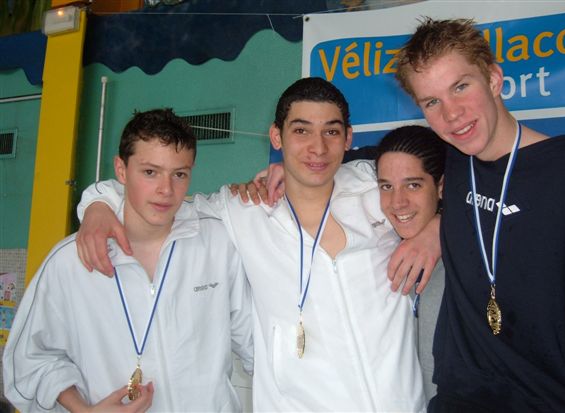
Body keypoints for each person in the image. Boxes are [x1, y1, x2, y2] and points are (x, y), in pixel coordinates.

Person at [74, 78, 426, 411]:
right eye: (301, 130)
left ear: (348, 138)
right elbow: (159, 197)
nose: (318, 148)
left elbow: (443, 175)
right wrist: (98, 203)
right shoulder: (241, 210)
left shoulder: (378, 188)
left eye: (331, 132)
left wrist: (434, 230)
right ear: (276, 136)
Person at [394, 17, 565, 411]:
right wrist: (434, 227)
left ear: (493, 79)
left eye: (461, 87)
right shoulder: (452, 161)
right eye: (432, 102)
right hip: (461, 400)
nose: (452, 114)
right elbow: (355, 160)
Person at [3, 109, 253, 412]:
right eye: (150, 172)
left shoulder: (216, 243)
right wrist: (84, 411)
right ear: (121, 170)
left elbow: (255, 342)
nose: (166, 190)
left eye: (179, 174)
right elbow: (31, 360)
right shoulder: (70, 260)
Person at [375, 125, 446, 401]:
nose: (398, 202)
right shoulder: (377, 249)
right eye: (387, 187)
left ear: (441, 186)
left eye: (413, 185)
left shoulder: (472, 259)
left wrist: (443, 225)